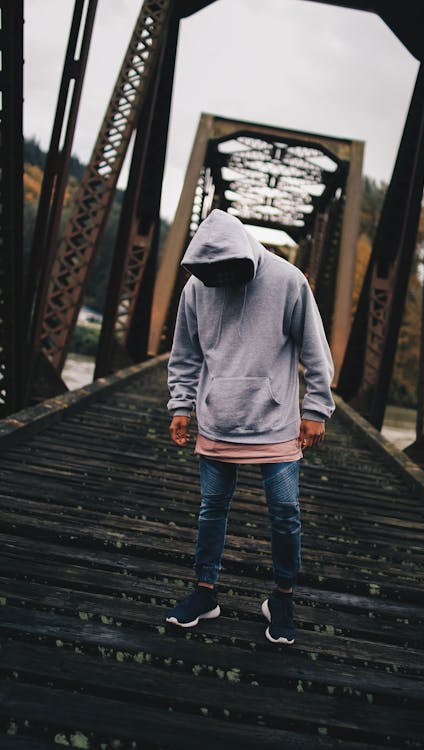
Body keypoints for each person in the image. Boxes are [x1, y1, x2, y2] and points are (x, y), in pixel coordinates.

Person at [165, 209, 335, 645]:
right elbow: (184, 351)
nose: (218, 278)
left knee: (285, 514)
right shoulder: (196, 286)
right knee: (211, 511)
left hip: (275, 425)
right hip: (218, 422)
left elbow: (315, 347)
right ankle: (205, 591)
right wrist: (180, 404)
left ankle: (281, 596)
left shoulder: (287, 280)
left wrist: (316, 408)